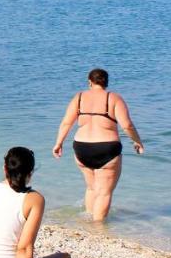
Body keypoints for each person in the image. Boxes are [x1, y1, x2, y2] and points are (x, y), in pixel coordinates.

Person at [52, 68, 144, 221]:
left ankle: (88, 220)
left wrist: (58, 143)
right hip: (107, 149)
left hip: (82, 148)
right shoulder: (114, 98)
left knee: (91, 187)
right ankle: (98, 229)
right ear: (106, 82)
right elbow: (127, 125)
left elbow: (66, 122)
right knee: (104, 192)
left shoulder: (79, 97)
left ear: (90, 82)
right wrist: (137, 141)